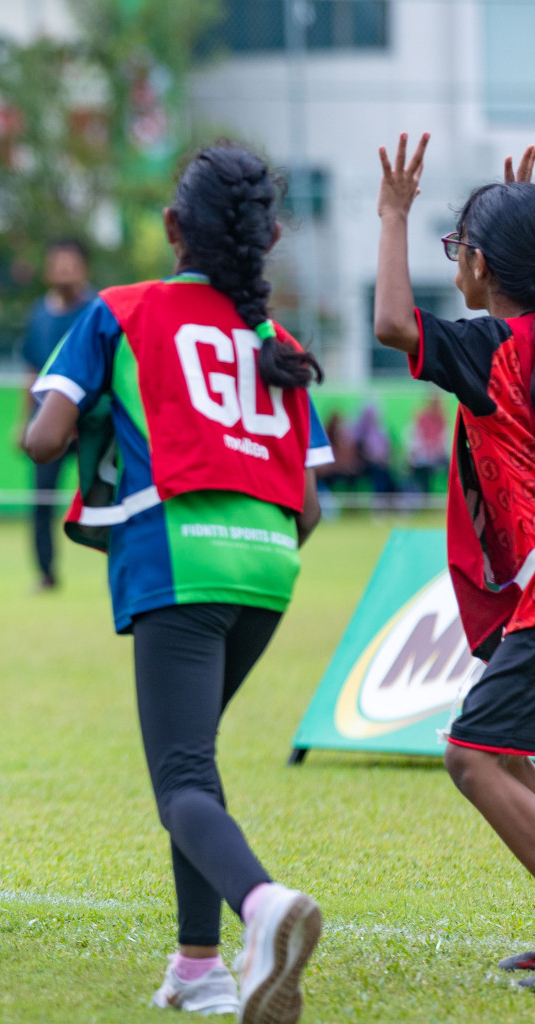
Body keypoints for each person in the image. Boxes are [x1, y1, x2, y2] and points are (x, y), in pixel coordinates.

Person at [25, 143, 328, 1022]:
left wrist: (96, 425)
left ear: (171, 229)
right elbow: (308, 506)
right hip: (270, 567)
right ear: (265, 237)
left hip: (179, 560)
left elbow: (44, 442)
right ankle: (199, 967)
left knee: (182, 780)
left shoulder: (120, 310)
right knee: (192, 766)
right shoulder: (278, 342)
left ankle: (263, 906)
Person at [375, 133, 535, 988]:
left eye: (457, 251)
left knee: (472, 754)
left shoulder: (494, 351)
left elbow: (394, 324)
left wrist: (395, 214)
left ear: (477, 264)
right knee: (512, 757)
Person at [15, 239, 96, 590]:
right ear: (49, 269)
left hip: (92, 424)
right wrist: (25, 422)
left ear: (83, 268)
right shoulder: (38, 314)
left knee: (110, 493)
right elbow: (32, 369)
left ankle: (120, 567)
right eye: (58, 263)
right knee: (41, 502)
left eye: (71, 263)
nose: (64, 269)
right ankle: (46, 573)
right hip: (48, 428)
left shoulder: (97, 311)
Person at [407, 395, 450, 494]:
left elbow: (444, 443)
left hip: (437, 456)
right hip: (422, 457)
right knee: (421, 470)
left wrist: (436, 450)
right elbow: (415, 440)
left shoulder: (442, 420)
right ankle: (424, 495)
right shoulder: (421, 419)